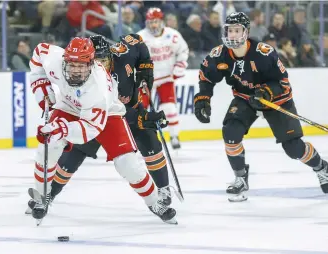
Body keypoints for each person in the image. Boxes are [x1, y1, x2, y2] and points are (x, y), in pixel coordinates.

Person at [28, 37, 177, 224]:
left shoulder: (99, 89)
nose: (75, 70)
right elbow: (38, 53)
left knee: (127, 164)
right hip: (68, 107)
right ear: (64, 60)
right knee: (47, 148)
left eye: (81, 66)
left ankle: (155, 202)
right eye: (72, 64)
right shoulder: (54, 58)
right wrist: (40, 84)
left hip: (108, 115)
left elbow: (89, 130)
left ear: (91, 64)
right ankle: (41, 196)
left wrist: (61, 129)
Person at [194, 12, 328, 202]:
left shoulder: (264, 52)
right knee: (230, 132)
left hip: (276, 100)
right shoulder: (219, 55)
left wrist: (266, 93)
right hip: (245, 98)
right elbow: (206, 77)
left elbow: (283, 83)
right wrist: (203, 98)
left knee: (294, 149)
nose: (232, 35)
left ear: (246, 32)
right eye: (229, 31)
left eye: (236, 30)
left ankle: (321, 167)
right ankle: (240, 177)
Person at [137, 8, 189, 150]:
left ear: (161, 21)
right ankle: (141, 137)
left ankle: (174, 135)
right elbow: (132, 56)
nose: (153, 25)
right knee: (141, 110)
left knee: (169, 108)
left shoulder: (173, 35)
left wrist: (180, 64)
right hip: (145, 79)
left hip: (166, 77)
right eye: (150, 22)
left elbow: (183, 51)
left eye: (156, 21)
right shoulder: (140, 37)